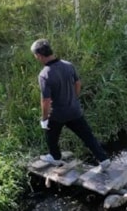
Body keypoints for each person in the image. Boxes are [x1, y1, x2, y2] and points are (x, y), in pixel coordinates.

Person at [31, 39, 110, 168]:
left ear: (39, 55)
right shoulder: (68, 65)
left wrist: (44, 119)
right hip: (74, 110)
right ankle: (103, 159)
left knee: (50, 134)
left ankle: (55, 157)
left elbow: (45, 101)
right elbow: (78, 83)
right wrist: (73, 98)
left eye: (35, 56)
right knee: (87, 136)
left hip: (58, 114)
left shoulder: (44, 75)